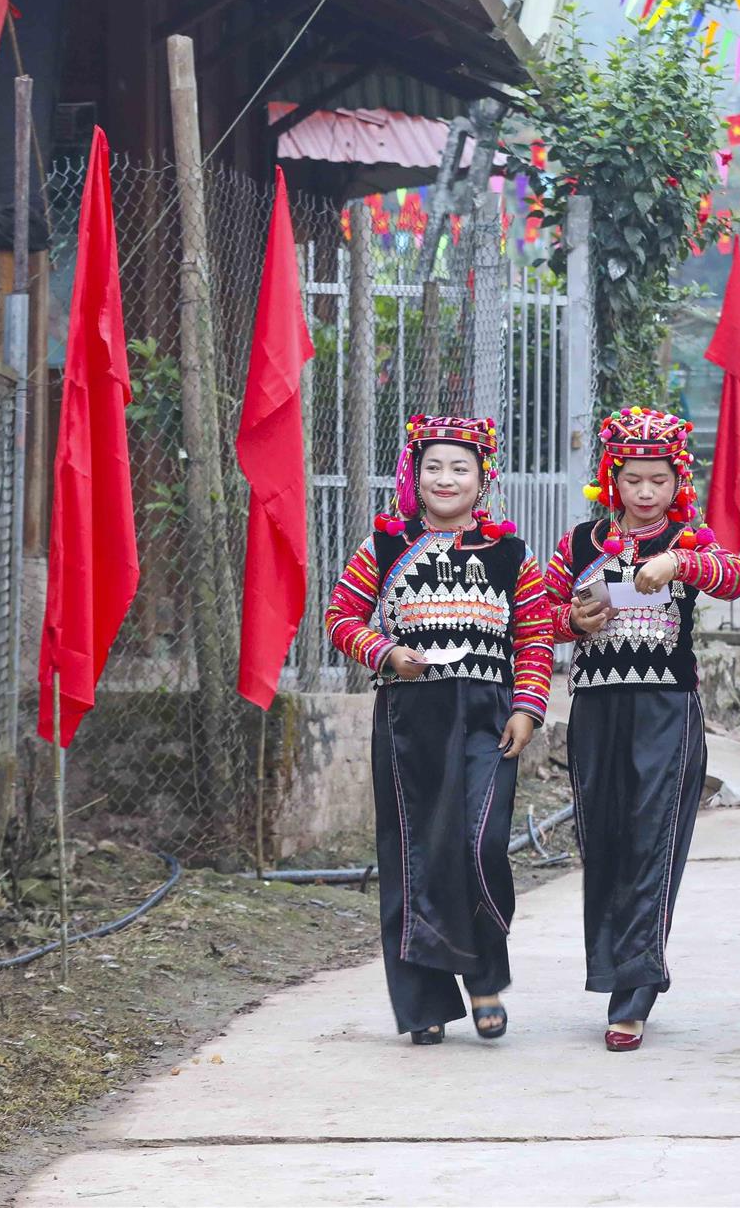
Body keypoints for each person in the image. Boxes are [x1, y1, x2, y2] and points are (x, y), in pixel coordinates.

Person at [324, 415, 552, 1045]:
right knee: (414, 853)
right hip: (410, 718)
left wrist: (527, 707)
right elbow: (341, 616)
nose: (445, 479)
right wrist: (384, 652)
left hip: (488, 717)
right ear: (414, 475)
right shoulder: (384, 545)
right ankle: (424, 1001)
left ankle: (483, 975)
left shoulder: (511, 553)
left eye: (460, 468)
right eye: (433, 467)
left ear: (483, 478)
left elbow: (535, 636)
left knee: (481, 844)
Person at [545, 408, 740, 1051]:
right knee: (603, 839)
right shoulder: (579, 543)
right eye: (632, 479)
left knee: (652, 838)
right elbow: (539, 613)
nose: (645, 492)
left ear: (677, 481)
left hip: (667, 708)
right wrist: (574, 622)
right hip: (595, 710)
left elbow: (736, 576)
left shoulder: (690, 538)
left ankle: (633, 992)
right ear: (612, 478)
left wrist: (679, 565)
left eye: (658, 480)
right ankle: (615, 971)